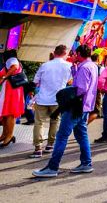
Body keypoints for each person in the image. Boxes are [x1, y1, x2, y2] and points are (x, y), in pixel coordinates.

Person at [32, 44, 98, 177]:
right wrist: (74, 70)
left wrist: (67, 93)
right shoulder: (91, 65)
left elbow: (81, 89)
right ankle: (86, 163)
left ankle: (52, 167)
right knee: (81, 135)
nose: (72, 55)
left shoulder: (84, 67)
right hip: (85, 106)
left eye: (74, 53)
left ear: (79, 54)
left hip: (76, 106)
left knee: (62, 136)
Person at [29, 45, 72, 158]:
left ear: (55, 52)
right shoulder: (68, 66)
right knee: (55, 121)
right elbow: (69, 81)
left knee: (39, 123)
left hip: (42, 98)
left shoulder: (45, 65)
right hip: (58, 99)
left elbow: (35, 81)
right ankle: (50, 145)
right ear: (64, 53)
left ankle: (38, 148)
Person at [0, 49, 26, 147]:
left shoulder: (11, 59)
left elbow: (14, 67)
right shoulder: (12, 60)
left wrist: (4, 77)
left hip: (11, 90)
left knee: (10, 113)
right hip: (11, 90)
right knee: (6, 113)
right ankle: (5, 134)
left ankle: (9, 136)